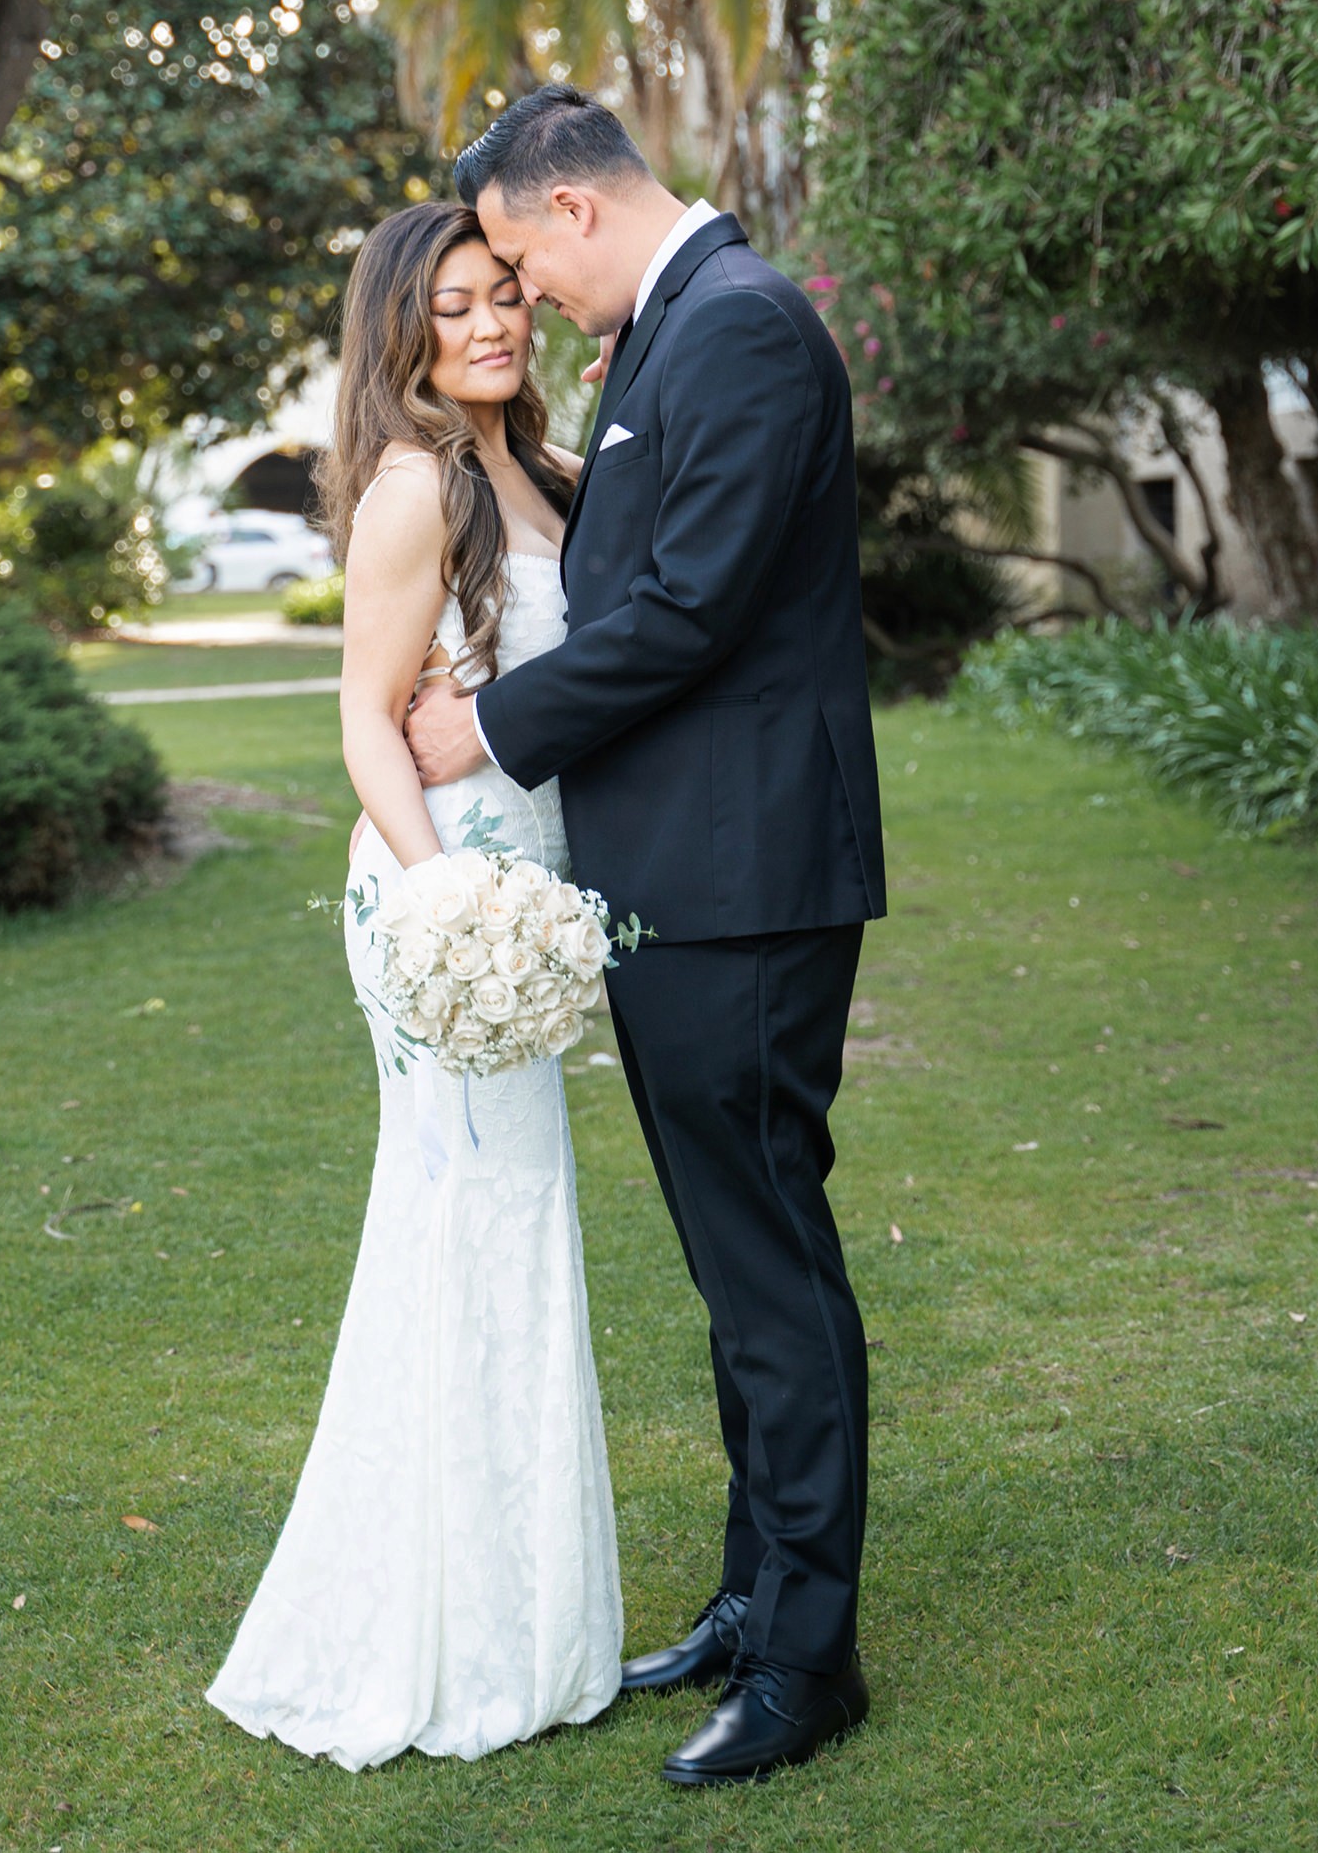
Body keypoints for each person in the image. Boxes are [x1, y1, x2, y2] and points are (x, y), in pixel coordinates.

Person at [406, 86, 885, 1789]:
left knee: (767, 1262)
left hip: (740, 876)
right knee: (731, 1262)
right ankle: (754, 1597)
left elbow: (691, 604)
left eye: (521, 258)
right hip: (684, 872)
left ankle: (808, 1656)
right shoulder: (679, 320)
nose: (524, 295)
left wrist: (489, 726)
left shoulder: (735, 323)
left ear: (571, 206)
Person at [206, 200, 621, 1771]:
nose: (491, 322)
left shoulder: (542, 468)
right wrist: (447, 893)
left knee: (512, 1233)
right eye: (452, 305)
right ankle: (438, 1637)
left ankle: (516, 1612)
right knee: (468, 1231)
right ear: (401, 329)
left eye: (503, 292)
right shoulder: (412, 484)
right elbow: (365, 719)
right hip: (451, 905)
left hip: (528, 898)